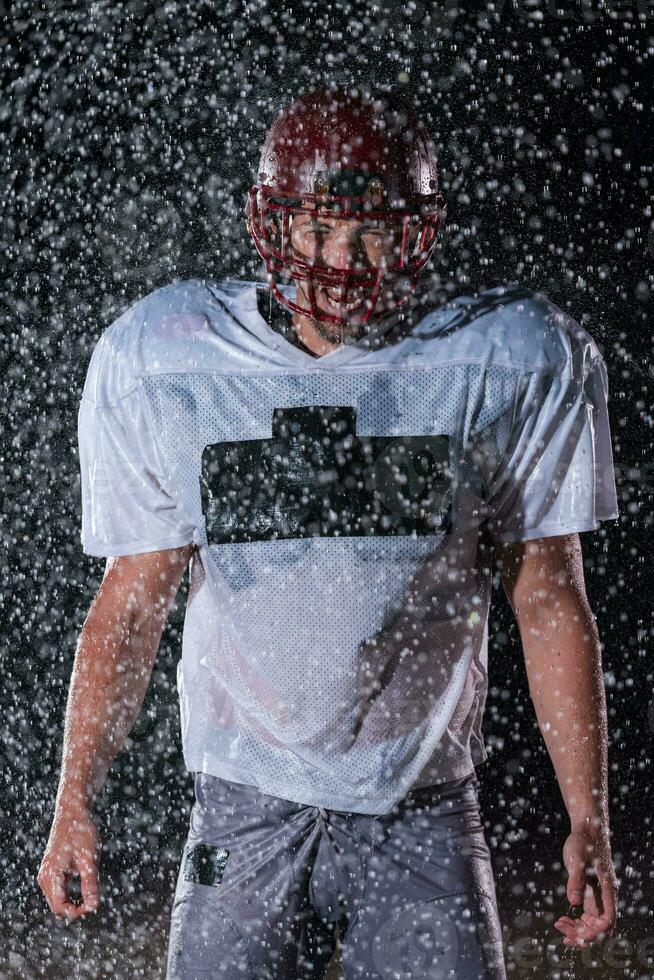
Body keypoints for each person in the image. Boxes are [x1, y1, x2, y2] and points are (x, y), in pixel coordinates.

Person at [38, 85, 620, 979]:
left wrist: (589, 813)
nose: (342, 262)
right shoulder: (175, 357)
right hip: (244, 801)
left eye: (370, 232)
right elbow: (130, 604)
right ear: (272, 226)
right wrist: (74, 794)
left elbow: (545, 594)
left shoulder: (501, 358)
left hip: (422, 806)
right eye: (317, 230)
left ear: (417, 231)